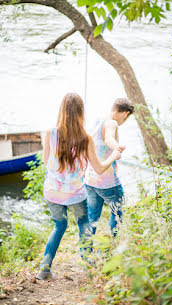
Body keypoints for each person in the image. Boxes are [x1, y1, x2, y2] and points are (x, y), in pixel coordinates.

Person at [36, 93, 124, 280]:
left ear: (62, 111)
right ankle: (87, 266)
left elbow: (46, 162)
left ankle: (44, 269)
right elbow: (100, 168)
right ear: (81, 112)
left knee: (59, 226)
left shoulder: (50, 133)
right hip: (76, 193)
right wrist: (113, 156)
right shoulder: (85, 139)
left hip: (53, 192)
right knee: (83, 223)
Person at [85, 98, 134, 237]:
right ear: (125, 114)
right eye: (127, 117)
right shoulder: (112, 123)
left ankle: (86, 251)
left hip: (90, 179)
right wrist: (117, 147)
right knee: (117, 213)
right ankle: (114, 244)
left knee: (92, 217)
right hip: (107, 182)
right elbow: (108, 138)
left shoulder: (96, 122)